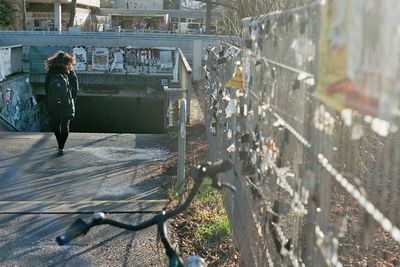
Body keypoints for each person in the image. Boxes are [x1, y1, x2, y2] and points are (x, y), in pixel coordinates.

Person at [44, 51, 79, 155]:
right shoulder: (69, 70)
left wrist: (51, 98)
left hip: (54, 102)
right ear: (68, 60)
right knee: (65, 124)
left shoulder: (51, 71)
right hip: (66, 102)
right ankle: (61, 147)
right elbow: (75, 86)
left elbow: (46, 86)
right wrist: (72, 98)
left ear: (54, 60)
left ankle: (59, 141)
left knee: (55, 124)